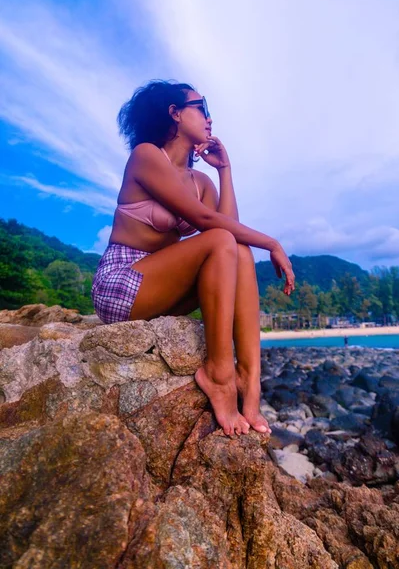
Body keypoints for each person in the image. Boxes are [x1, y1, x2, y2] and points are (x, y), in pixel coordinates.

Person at [92, 80, 295, 437]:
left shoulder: (200, 182)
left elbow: (228, 230)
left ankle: (250, 380)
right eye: (201, 107)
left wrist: (224, 170)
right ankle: (219, 375)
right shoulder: (146, 156)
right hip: (122, 283)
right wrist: (273, 243)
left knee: (240, 253)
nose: (209, 117)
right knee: (221, 241)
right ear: (175, 113)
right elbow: (207, 224)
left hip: (162, 286)